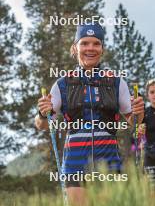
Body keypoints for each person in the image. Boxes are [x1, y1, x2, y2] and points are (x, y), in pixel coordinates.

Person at [35, 23, 144, 205]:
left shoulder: (117, 82)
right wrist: (42, 113)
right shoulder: (62, 84)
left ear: (102, 49)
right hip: (75, 162)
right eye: (85, 43)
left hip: (109, 163)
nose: (90, 48)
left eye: (96, 43)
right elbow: (43, 125)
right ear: (75, 47)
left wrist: (139, 112)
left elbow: (135, 123)